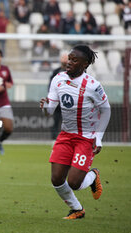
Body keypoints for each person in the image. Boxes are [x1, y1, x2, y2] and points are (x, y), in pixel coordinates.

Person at [40, 45, 111, 219]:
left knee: (74, 183)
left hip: (85, 138)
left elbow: (106, 110)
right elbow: (50, 111)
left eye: (74, 60)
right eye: (69, 58)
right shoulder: (58, 79)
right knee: (56, 179)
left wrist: (99, 138)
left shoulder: (93, 86)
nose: (69, 62)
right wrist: (45, 107)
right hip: (66, 135)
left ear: (85, 64)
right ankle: (77, 209)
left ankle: (93, 175)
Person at [48, 53, 68, 139]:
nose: (64, 60)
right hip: (58, 102)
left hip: (69, 103)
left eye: (66, 58)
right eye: (63, 58)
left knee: (69, 122)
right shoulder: (56, 72)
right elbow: (50, 86)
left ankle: (68, 139)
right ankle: (54, 139)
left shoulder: (76, 72)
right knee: (56, 120)